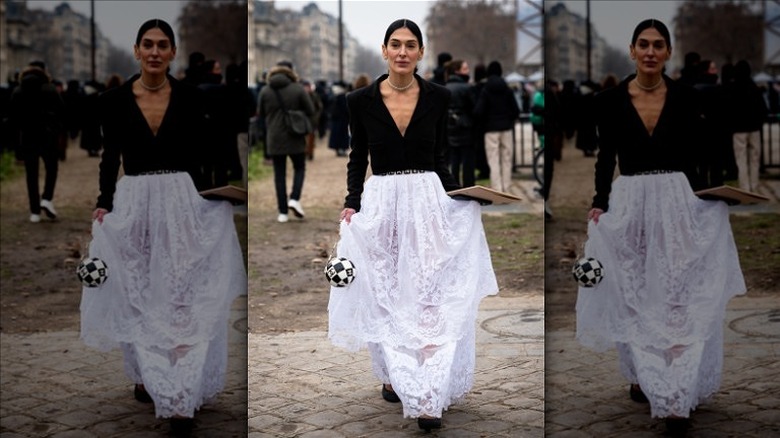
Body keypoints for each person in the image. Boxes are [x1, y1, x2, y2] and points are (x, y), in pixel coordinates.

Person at [576, 19, 746, 436]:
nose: (651, 51)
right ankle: (641, 371)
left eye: (658, 45)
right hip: (630, 199)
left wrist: (710, 195)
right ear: (633, 51)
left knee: (676, 289)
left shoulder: (687, 97)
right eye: (643, 45)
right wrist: (600, 203)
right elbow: (605, 158)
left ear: (668, 52)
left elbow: (701, 153)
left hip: (677, 200)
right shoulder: (608, 100)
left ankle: (677, 392)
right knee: (632, 288)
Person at [327, 18, 498, 432]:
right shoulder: (359, 100)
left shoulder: (438, 96)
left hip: (427, 198)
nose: (403, 52)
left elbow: (441, 156)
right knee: (383, 287)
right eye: (395, 44)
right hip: (382, 199)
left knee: (427, 288)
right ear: (384, 51)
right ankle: (391, 370)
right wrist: (353, 204)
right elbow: (357, 157)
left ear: (421, 52)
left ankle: (429, 393)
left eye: (410, 45)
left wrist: (459, 197)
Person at [79, 19, 246, 437]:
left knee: (179, 288)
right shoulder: (113, 100)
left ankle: (180, 391)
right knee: (137, 288)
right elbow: (109, 156)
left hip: (182, 199)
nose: (155, 52)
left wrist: (218, 194)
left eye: (163, 45)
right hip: (133, 199)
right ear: (137, 51)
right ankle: (144, 371)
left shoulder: (191, 97)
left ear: (172, 53)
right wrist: (104, 203)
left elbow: (209, 150)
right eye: (148, 45)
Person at [7, 61, 66, 223]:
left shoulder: (18, 90)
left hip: (28, 136)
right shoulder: (50, 89)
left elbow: (13, 118)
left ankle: (34, 212)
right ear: (44, 72)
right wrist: (55, 128)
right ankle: (47, 198)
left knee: (31, 174)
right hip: (48, 136)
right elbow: (62, 112)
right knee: (51, 169)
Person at [257, 61, 315, 223]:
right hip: (295, 134)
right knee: (299, 167)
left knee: (279, 174)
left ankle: (282, 212)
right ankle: (294, 199)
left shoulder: (265, 90)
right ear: (291, 72)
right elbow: (310, 110)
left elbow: (260, 113)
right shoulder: (297, 89)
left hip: (274, 137)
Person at [474, 60, 520, 193]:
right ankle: (507, 188)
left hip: (490, 130)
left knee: (493, 160)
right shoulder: (507, 89)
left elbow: (479, 111)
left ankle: (497, 189)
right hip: (506, 128)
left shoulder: (486, 89)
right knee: (507, 159)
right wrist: (509, 120)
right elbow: (516, 110)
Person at [725, 60, 768, 193]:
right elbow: (762, 108)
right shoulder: (754, 87)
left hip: (738, 130)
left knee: (741, 159)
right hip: (754, 128)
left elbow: (729, 109)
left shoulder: (733, 87)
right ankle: (754, 187)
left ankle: (745, 189)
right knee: (755, 159)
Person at [444, 59, 476, 187]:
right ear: (457, 71)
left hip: (451, 127)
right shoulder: (467, 88)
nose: (468, 71)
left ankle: (455, 186)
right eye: (465, 68)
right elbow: (474, 107)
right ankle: (469, 186)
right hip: (466, 126)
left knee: (454, 159)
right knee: (467, 160)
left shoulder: (445, 88)